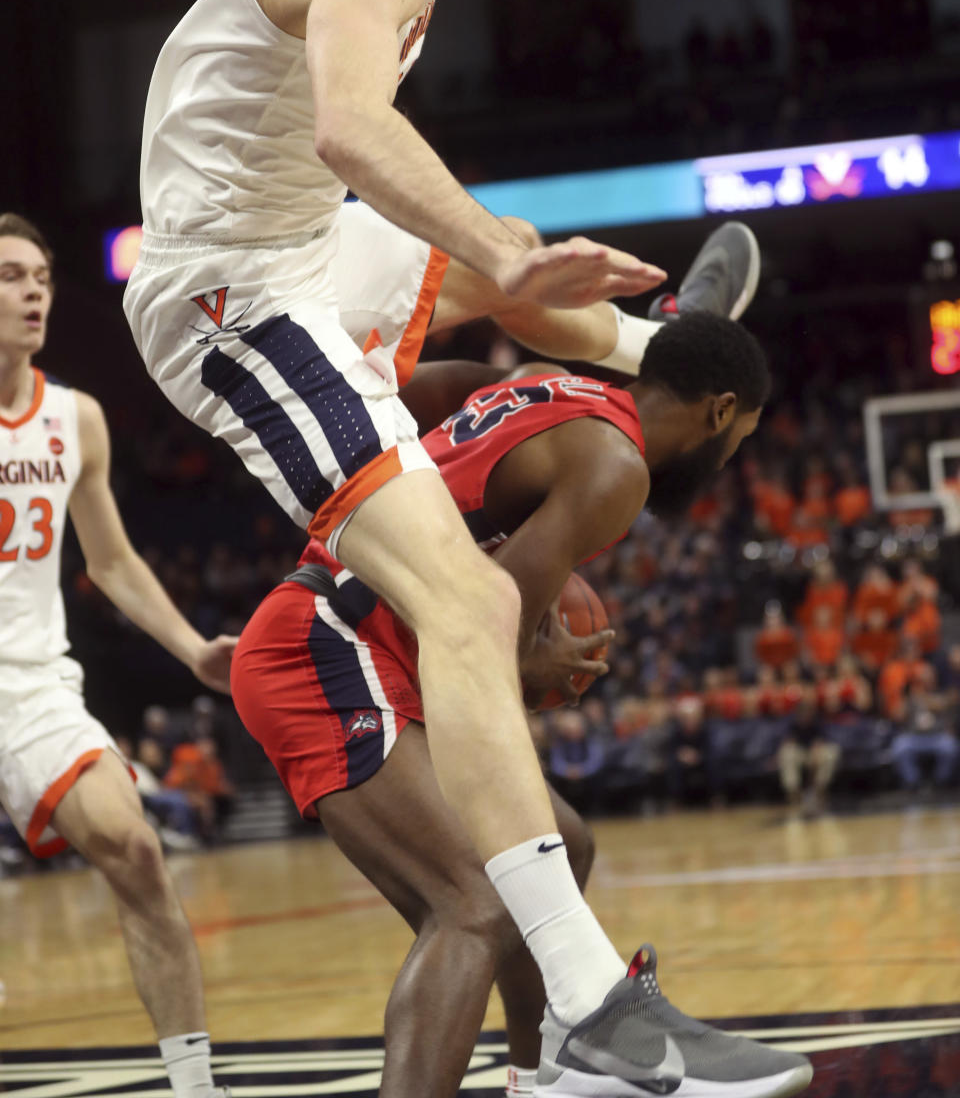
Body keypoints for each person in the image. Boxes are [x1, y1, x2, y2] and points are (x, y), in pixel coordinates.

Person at [122, 0, 785, 1095]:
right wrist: (498, 239)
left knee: (478, 292)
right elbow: (352, 128)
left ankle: (646, 346)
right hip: (230, 291)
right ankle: (596, 1007)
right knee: (472, 585)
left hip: (301, 243)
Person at [232, 313, 812, 1098]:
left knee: (560, 848)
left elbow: (411, 391)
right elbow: (488, 630)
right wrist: (541, 657)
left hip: (357, 641)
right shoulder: (617, 467)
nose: (728, 457)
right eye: (738, 439)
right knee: (473, 903)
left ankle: (542, 1079)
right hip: (327, 646)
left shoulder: (536, 381)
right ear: (718, 412)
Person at [0, 214, 234, 1098]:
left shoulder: (76, 419)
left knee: (137, 850)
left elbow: (112, 561)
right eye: (11, 276)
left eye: (43, 277)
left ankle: (193, 1085)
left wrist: (190, 649)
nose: (32, 293)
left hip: (30, 683)